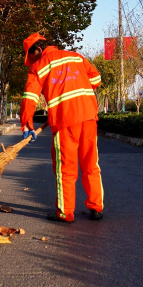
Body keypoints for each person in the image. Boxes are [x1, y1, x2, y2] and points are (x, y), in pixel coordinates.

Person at [20, 32, 104, 222]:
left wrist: (27, 124)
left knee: (65, 167)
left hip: (65, 121)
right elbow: (96, 79)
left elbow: (30, 97)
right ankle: (96, 206)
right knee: (91, 163)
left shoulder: (39, 66)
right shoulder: (77, 57)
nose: (31, 60)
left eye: (31, 56)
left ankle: (65, 212)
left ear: (38, 50)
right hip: (89, 116)